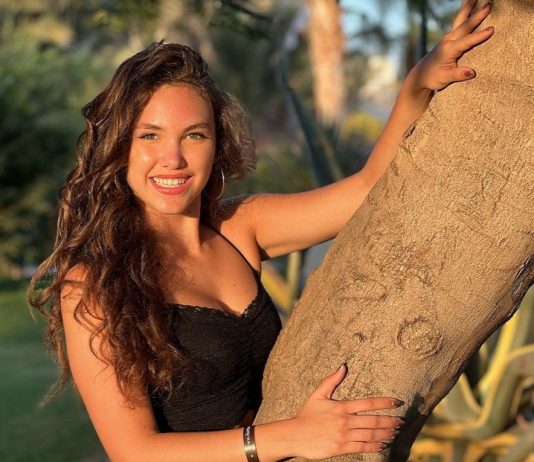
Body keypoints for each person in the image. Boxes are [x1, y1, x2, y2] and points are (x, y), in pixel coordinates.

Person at [29, 1, 493, 461]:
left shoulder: (241, 226)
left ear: (217, 145)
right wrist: (289, 438)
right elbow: (134, 451)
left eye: (194, 135)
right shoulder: (93, 283)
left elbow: (367, 188)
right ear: (119, 148)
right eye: (149, 135)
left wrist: (417, 84)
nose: (173, 159)